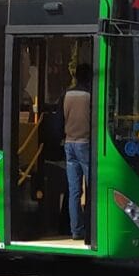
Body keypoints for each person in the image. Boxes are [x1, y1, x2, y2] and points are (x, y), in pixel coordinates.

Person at [63, 63, 94, 241]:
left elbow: (60, 118)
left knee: (74, 190)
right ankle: (91, 229)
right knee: (92, 189)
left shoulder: (66, 94)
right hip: (85, 143)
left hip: (69, 143)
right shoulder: (90, 96)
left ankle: (76, 230)